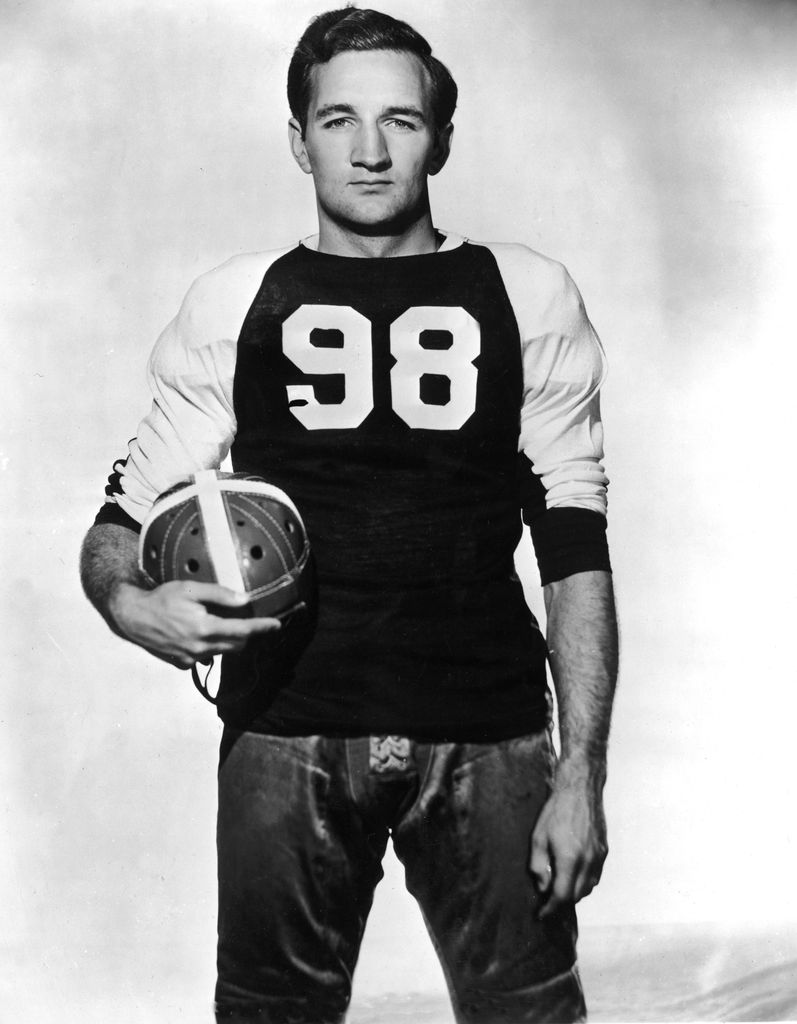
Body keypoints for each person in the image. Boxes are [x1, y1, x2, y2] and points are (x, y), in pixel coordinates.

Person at [80, 7, 618, 1023]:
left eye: (399, 122)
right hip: (287, 732)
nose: (369, 151)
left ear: (441, 137)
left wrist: (581, 772)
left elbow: (573, 547)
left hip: (490, 732)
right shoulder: (237, 302)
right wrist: (128, 601)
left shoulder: (526, 294)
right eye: (337, 121)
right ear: (297, 138)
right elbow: (118, 521)